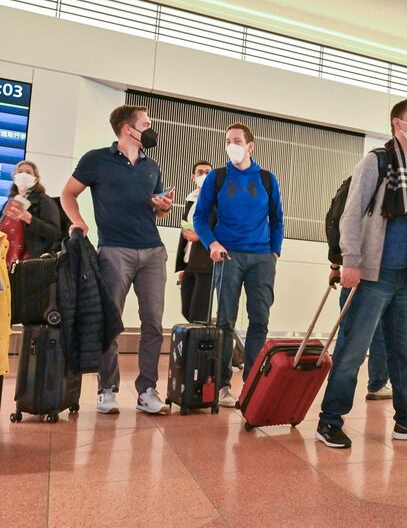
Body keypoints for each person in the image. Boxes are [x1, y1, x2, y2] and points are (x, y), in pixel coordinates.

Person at [316, 99, 407, 449]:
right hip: (371, 273)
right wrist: (350, 261)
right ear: (397, 124)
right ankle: (330, 420)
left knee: (403, 354)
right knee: (352, 351)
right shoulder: (377, 161)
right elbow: (352, 212)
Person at [61, 105, 174, 415]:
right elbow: (68, 194)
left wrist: (162, 207)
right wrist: (78, 221)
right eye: (146, 123)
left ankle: (147, 390)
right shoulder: (96, 160)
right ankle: (107, 389)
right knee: (110, 323)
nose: (151, 129)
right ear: (128, 129)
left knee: (153, 323)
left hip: (152, 251)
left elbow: (155, 211)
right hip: (113, 251)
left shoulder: (153, 166)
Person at [192, 123, 284, 408]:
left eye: (237, 140)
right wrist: (212, 243)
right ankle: (221, 385)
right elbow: (200, 218)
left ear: (250, 147)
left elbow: (278, 218)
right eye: (228, 140)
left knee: (260, 320)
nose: (232, 145)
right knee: (225, 322)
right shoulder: (216, 178)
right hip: (228, 256)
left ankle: (253, 383)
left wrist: (275, 252)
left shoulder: (267, 179)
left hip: (261, 258)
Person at [329, 264, 392, 401]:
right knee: (379, 332)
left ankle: (336, 398)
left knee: (349, 336)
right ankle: (377, 384)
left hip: (355, 272)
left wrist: (334, 266)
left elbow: (338, 242)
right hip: (383, 275)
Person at [0, 161, 61, 267]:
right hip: (4, 262)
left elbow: (54, 234)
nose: (23, 175)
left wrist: (29, 219)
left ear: (35, 179)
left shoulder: (44, 201)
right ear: (14, 177)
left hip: (27, 264)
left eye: (28, 172)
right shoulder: (9, 202)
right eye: (20, 172)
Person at [176, 160, 213, 323]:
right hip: (189, 262)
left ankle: (199, 346)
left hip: (206, 263)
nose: (204, 175)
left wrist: (199, 237)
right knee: (186, 310)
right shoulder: (190, 198)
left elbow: (221, 227)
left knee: (199, 313)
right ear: (193, 177)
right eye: (200, 172)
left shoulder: (217, 200)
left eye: (208, 172)